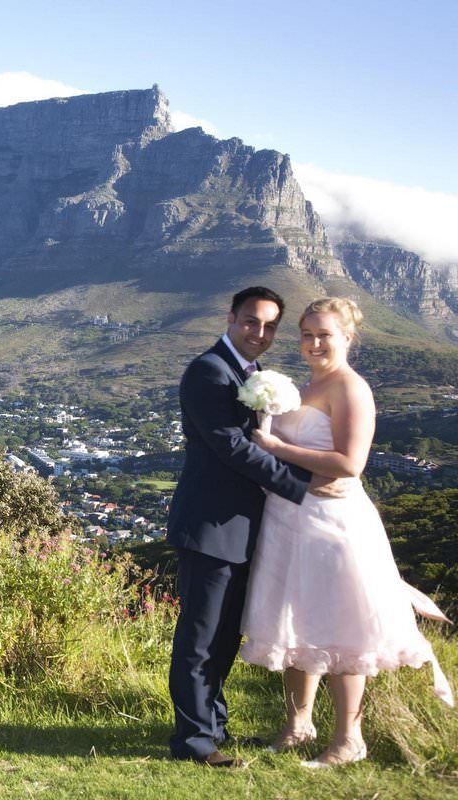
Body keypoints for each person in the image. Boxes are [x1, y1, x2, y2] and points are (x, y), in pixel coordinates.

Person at [241, 297, 453, 768]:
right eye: (307, 334)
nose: (314, 343)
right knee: (292, 619)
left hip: (332, 521)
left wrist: (275, 447)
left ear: (347, 338)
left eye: (325, 335)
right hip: (290, 517)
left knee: (340, 625)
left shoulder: (350, 388)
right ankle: (298, 725)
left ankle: (348, 739)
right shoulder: (309, 384)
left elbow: (348, 464)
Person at [166, 286, 338, 767]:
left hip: (243, 527)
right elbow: (232, 447)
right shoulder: (208, 370)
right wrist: (301, 485)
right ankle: (193, 743)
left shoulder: (252, 374)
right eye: (250, 322)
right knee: (200, 639)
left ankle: (211, 727)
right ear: (231, 317)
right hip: (209, 524)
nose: (258, 333)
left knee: (223, 637)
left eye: (268, 326)